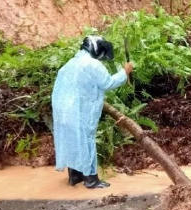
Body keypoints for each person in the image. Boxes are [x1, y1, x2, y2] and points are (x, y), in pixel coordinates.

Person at [52, 35, 133, 189]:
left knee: (73, 141)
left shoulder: (70, 64)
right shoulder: (92, 64)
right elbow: (108, 83)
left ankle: (74, 177)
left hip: (63, 112)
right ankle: (91, 181)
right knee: (86, 142)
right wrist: (125, 72)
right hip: (79, 112)